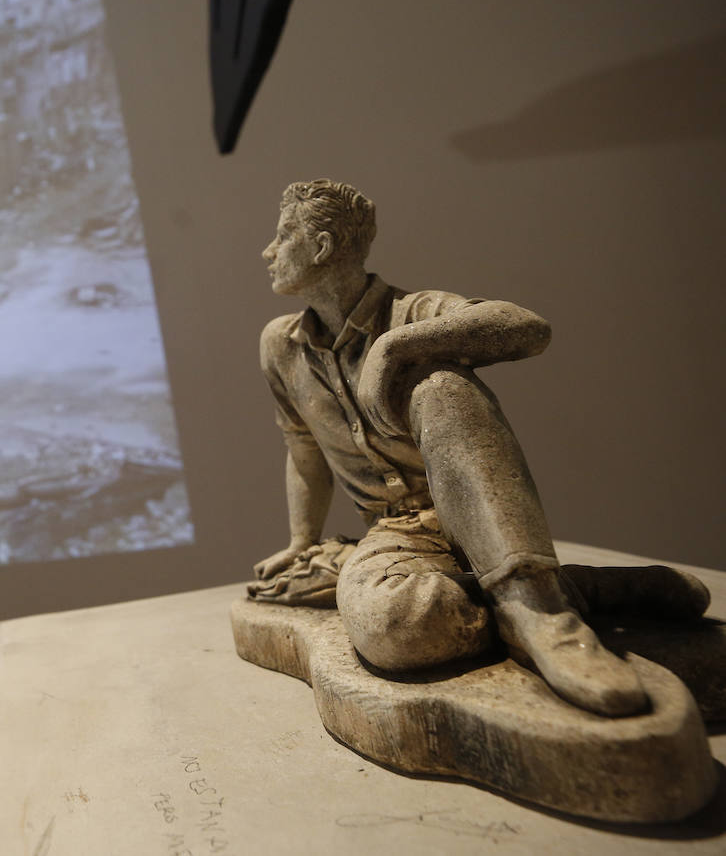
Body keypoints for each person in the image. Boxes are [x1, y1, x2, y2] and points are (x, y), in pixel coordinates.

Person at [252, 179, 708, 717]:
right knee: (393, 630)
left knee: (440, 384)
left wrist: (397, 347)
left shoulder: (413, 311)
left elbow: (527, 327)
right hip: (397, 532)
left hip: (478, 518)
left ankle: (540, 611)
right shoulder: (281, 347)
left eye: (283, 236)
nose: (269, 250)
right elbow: (303, 449)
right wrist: (301, 541)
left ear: (322, 247)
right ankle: (571, 590)